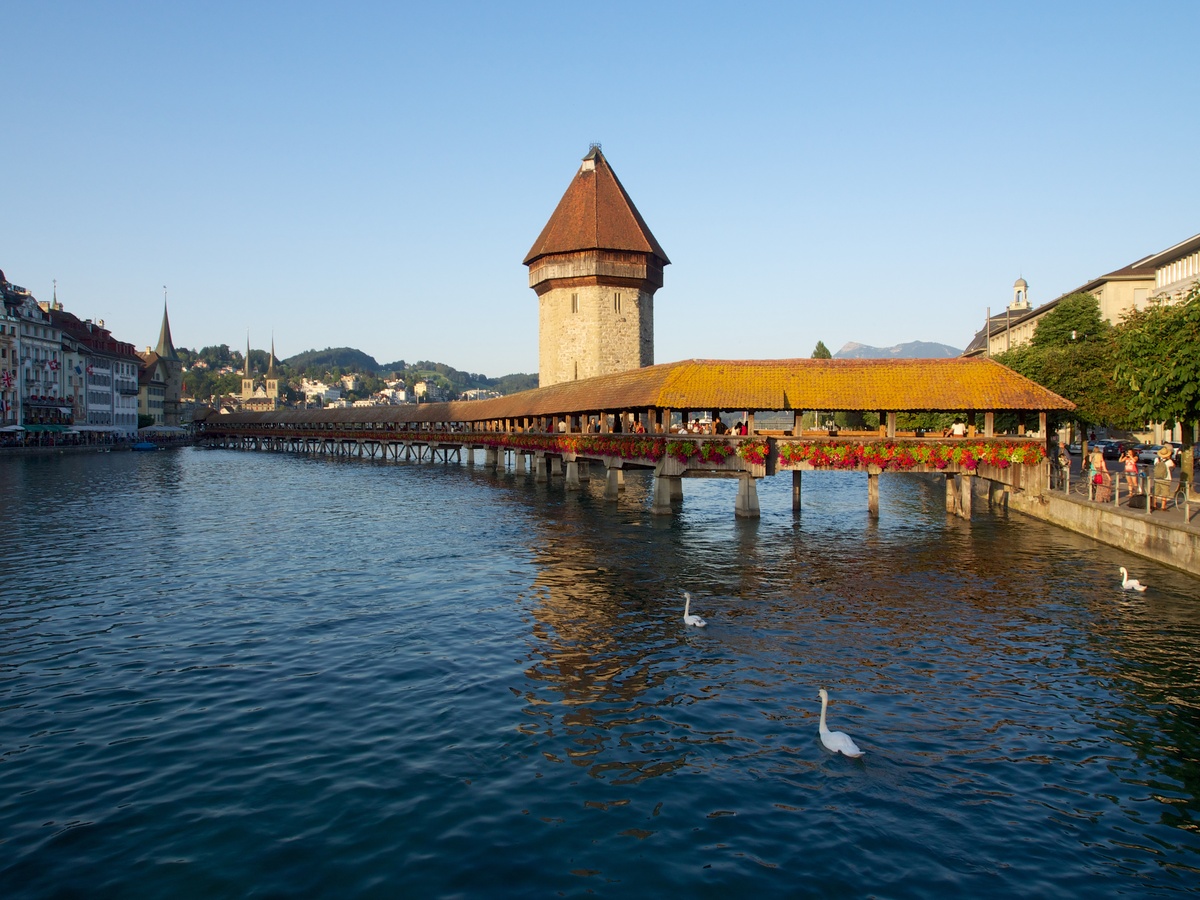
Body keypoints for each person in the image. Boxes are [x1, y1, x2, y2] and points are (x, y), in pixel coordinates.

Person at [1153, 444, 1175, 510]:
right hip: (1166, 479)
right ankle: (1163, 506)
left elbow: (1155, 466)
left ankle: (1154, 504)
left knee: (1156, 492)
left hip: (1157, 478)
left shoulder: (1157, 459)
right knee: (1164, 493)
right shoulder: (1169, 461)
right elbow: (1173, 467)